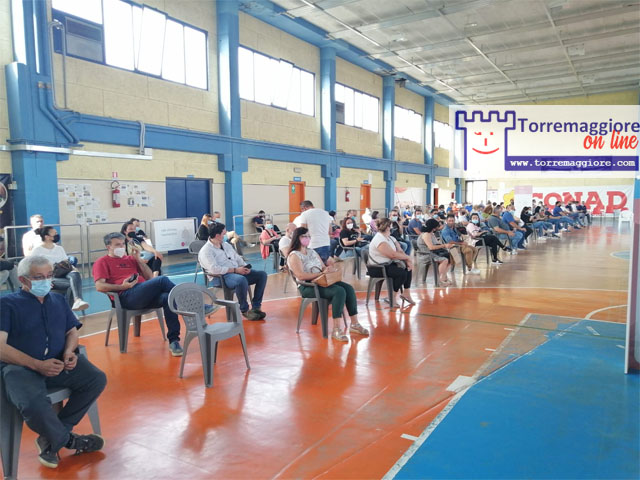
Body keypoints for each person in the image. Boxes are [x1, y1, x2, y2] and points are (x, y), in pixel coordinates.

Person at [1, 255, 107, 469]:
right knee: (32, 404)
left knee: (96, 379)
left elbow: (71, 331)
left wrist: (69, 352)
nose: (46, 281)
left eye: (49, 275)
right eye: (38, 277)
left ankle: (51, 438)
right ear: (23, 280)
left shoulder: (58, 300)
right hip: (20, 368)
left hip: (57, 363)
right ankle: (70, 441)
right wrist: (36, 365)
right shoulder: (7, 305)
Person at [93, 232, 184, 356]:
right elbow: (99, 286)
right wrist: (122, 287)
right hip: (125, 297)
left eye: (122, 244)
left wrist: (138, 260)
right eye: (117, 245)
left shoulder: (131, 259)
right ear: (108, 247)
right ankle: (188, 303)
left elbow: (150, 277)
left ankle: (174, 341)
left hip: (142, 294)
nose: (121, 247)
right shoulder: (102, 262)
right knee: (162, 280)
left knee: (168, 298)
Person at [287, 227, 368, 341]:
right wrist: (320, 273)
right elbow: (301, 276)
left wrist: (328, 269)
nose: (307, 238)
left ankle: (354, 323)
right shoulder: (294, 255)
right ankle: (336, 329)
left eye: (308, 236)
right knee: (339, 291)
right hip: (308, 286)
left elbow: (322, 267)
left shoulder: (312, 251)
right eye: (304, 236)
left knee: (349, 288)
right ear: (297, 238)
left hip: (322, 281)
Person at [198, 223, 267, 321]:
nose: (226, 235)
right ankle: (245, 310)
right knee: (241, 280)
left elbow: (237, 258)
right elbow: (214, 269)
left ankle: (256, 307)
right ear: (217, 235)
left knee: (262, 275)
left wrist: (244, 267)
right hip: (220, 277)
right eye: (224, 233)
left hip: (236, 272)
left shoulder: (226, 245)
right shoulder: (206, 251)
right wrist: (235, 270)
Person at [31, 226, 89, 311]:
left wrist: (73, 268)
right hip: (50, 277)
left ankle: (77, 300)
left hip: (63, 273)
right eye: (54, 234)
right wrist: (43, 280)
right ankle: (68, 311)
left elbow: (66, 262)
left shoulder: (59, 248)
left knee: (75, 274)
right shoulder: (37, 250)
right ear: (47, 237)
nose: (57, 235)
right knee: (72, 285)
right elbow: (32, 268)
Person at [368, 218, 415, 305]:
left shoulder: (391, 238)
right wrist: (408, 258)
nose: (392, 227)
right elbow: (392, 255)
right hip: (378, 267)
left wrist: (407, 260)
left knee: (408, 268)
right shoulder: (379, 239)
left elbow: (400, 251)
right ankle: (391, 297)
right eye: (391, 226)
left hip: (389, 264)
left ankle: (406, 293)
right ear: (387, 227)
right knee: (401, 273)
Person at [420, 218, 454, 286]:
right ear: (433, 227)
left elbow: (437, 244)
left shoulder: (431, 234)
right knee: (444, 260)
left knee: (451, 258)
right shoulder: (426, 235)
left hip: (433, 252)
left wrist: (445, 245)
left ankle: (443, 277)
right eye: (437, 226)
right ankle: (440, 280)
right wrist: (444, 245)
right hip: (427, 254)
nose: (438, 228)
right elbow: (431, 247)